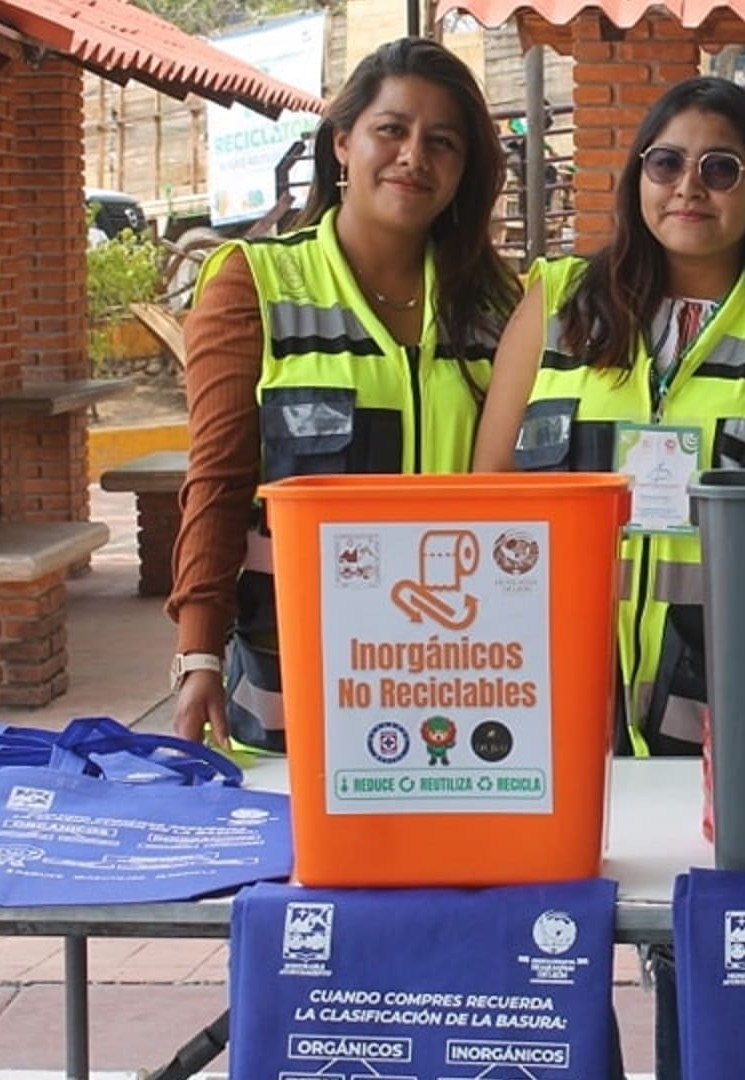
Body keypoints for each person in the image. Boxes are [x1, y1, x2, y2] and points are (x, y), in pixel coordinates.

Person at [474, 75, 745, 759]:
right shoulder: (559, 301)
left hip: (733, 701)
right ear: (638, 176)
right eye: (667, 162)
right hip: (556, 684)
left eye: (720, 168)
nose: (689, 186)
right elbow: (493, 482)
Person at [166, 38, 520, 753]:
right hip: (296, 671)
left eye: (442, 141)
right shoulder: (254, 283)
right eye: (392, 129)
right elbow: (219, 476)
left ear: (464, 171)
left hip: (461, 676)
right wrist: (197, 649)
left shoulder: (499, 309)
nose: (414, 155)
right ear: (341, 144)